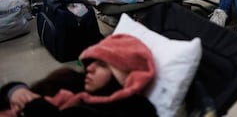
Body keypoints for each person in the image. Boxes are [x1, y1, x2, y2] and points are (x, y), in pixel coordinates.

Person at [0, 34, 158, 117]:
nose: (89, 68)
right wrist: (15, 91)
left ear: (123, 75)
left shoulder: (134, 109)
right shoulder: (69, 80)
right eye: (91, 62)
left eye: (102, 65)